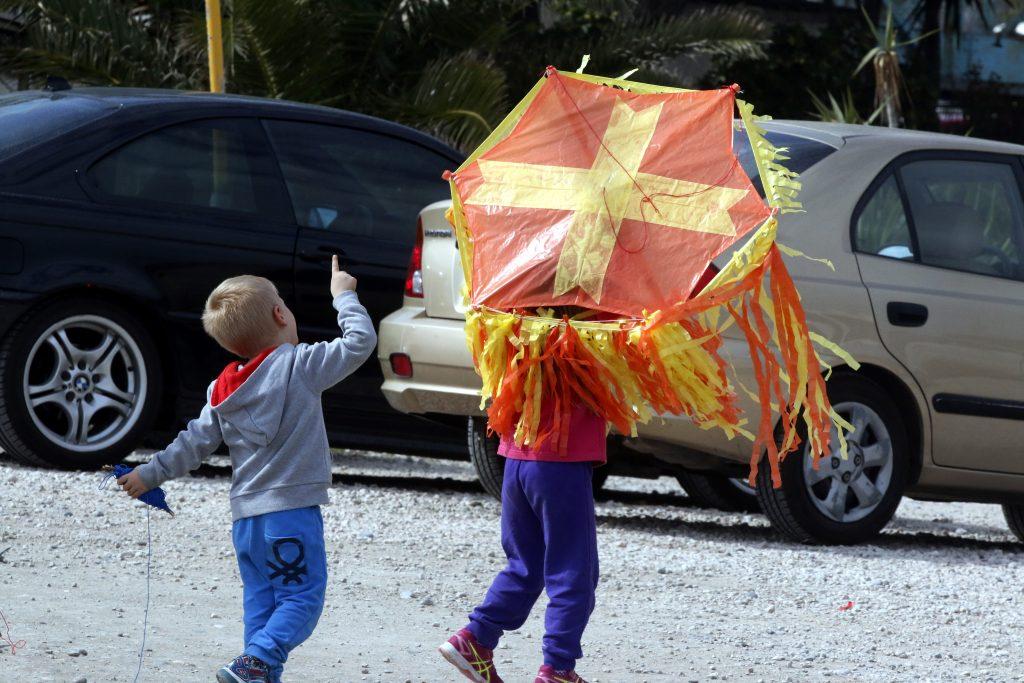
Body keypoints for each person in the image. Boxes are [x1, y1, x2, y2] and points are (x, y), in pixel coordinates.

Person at [118, 257, 376, 683]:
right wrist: (343, 295)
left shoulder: (222, 390)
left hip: (246, 523)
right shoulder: (301, 366)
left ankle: (255, 672)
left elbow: (194, 442)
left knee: (262, 604)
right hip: (290, 515)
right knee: (302, 599)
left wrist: (151, 472)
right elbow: (359, 343)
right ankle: (255, 663)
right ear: (280, 315)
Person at [440, 398, 604, 683]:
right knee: (574, 570)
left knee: (526, 565)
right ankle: (558, 669)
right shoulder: (576, 350)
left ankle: (476, 638)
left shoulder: (518, 349)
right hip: (561, 458)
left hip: (517, 459)